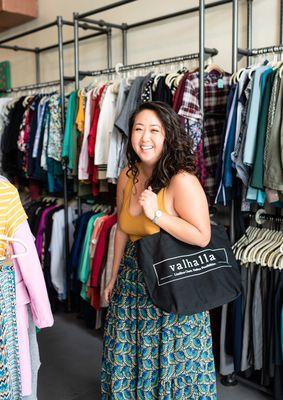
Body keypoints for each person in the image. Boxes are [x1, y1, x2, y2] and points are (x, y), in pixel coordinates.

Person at [101, 101, 217, 399]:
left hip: (170, 286)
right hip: (131, 285)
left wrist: (157, 215)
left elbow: (202, 236)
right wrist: (111, 275)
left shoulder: (182, 181)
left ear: (168, 136)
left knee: (171, 366)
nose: (145, 137)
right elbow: (123, 227)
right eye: (139, 129)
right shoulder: (129, 175)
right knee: (128, 359)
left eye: (154, 130)